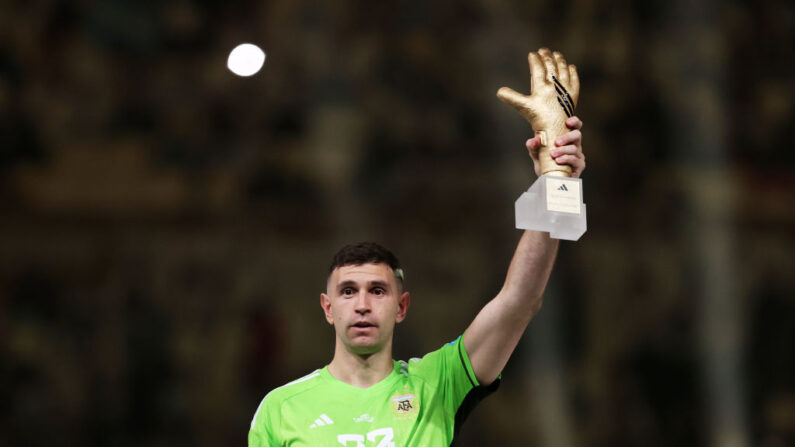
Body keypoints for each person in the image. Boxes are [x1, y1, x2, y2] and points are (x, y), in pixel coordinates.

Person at [249, 54, 586, 447]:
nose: (361, 304)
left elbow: (521, 300)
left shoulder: (438, 384)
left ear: (402, 306)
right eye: (347, 291)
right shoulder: (280, 408)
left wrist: (556, 181)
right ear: (327, 308)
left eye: (377, 291)